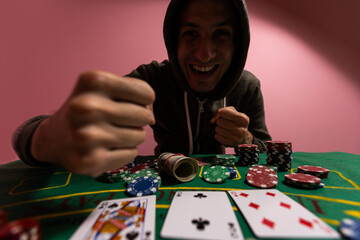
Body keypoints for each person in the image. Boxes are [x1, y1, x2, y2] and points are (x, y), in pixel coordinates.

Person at [13, 0, 271, 177]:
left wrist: (245, 139)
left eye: (220, 35)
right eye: (191, 34)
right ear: (173, 41)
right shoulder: (150, 79)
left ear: (238, 46)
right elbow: (23, 134)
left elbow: (270, 152)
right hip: (163, 179)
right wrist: (50, 135)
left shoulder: (248, 86)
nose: (204, 54)